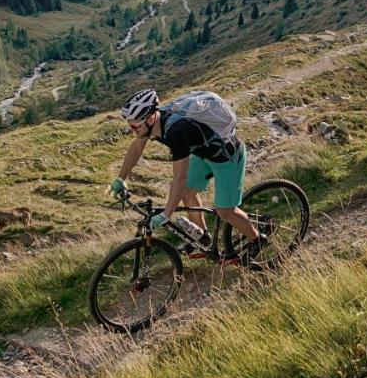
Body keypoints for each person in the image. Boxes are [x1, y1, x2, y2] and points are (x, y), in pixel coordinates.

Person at [110, 89, 265, 263]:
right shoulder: (155, 122)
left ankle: (256, 239)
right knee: (186, 194)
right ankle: (202, 236)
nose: (133, 130)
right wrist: (120, 178)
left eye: (134, 126)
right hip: (203, 153)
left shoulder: (177, 131)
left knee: (225, 211)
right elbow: (137, 147)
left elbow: (180, 177)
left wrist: (167, 214)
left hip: (227, 158)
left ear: (151, 118)